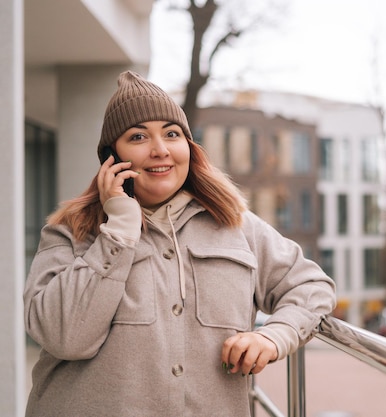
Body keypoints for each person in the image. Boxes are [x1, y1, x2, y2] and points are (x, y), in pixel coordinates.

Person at [23, 71, 336, 417]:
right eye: (138, 136)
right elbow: (63, 336)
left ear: (188, 146)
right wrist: (120, 231)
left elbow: (312, 287)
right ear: (111, 157)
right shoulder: (70, 232)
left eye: (172, 134)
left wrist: (273, 336)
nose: (160, 150)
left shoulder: (236, 225)